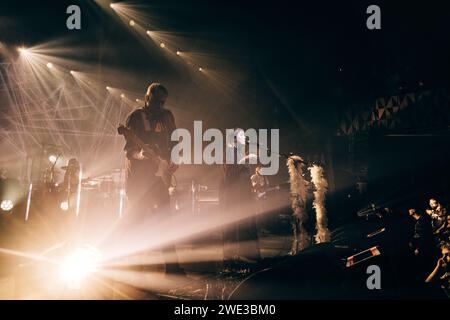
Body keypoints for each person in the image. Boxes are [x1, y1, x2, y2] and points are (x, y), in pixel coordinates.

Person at [122, 83, 183, 275]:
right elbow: (129, 151)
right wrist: (142, 154)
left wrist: (174, 160)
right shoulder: (136, 117)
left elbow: (174, 142)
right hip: (138, 180)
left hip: (158, 177)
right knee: (138, 223)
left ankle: (172, 268)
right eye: (156, 101)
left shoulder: (167, 116)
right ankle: (134, 270)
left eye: (163, 102)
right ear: (147, 98)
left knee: (166, 220)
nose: (160, 106)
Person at [220, 128, 260, 268]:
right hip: (233, 196)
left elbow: (244, 176)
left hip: (244, 195)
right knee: (233, 226)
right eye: (241, 136)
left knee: (246, 223)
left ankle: (247, 254)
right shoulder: (230, 152)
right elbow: (230, 173)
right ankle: (230, 257)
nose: (244, 139)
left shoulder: (242, 153)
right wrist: (244, 162)